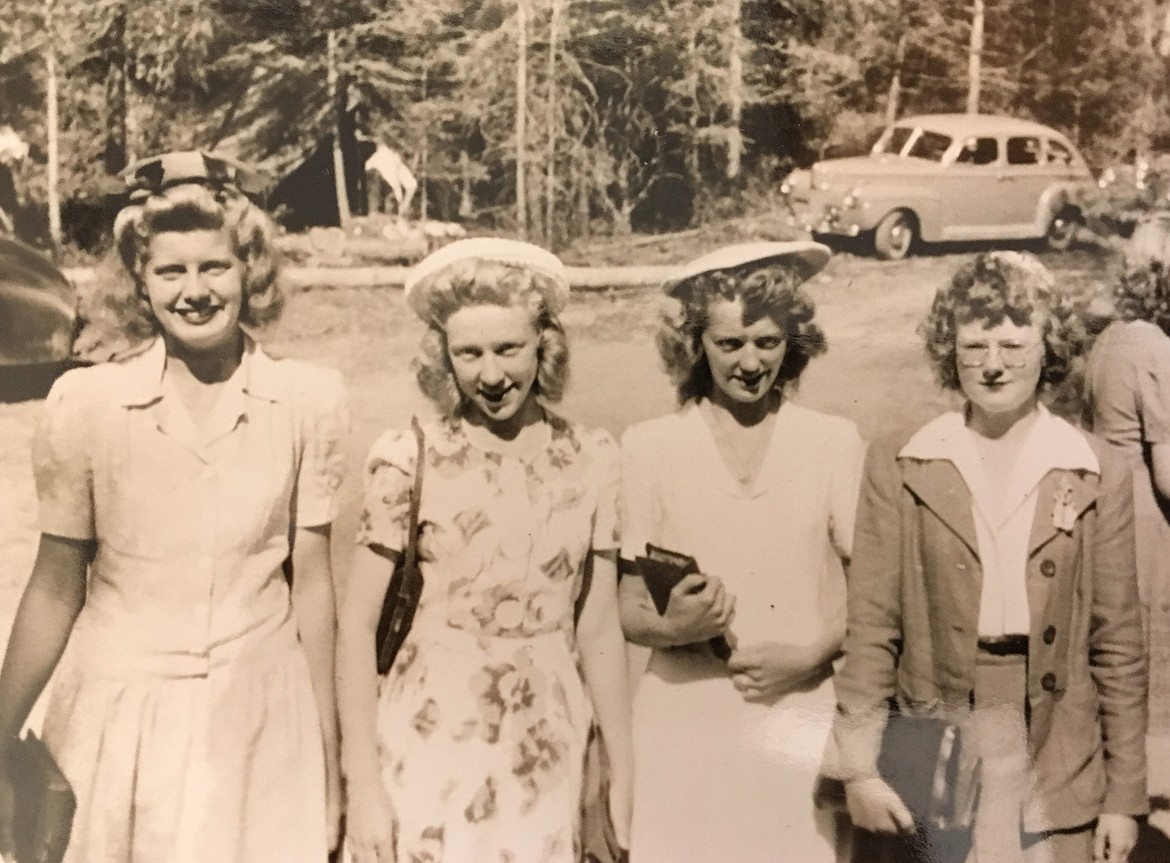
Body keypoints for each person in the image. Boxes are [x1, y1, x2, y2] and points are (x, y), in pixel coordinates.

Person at [0, 151, 347, 863]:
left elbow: (314, 587)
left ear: (249, 269)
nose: (195, 290)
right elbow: (54, 584)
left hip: (259, 724)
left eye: (214, 266)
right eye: (171, 271)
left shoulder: (308, 400)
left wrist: (331, 755)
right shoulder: (88, 404)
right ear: (140, 282)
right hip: (117, 720)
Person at [835, 251, 1147, 863]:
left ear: (1048, 345)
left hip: (1056, 740)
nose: (994, 366)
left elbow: (1118, 645)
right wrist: (857, 768)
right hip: (938, 728)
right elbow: (872, 626)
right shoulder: (903, 460)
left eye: (1014, 344)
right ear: (949, 351)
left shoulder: (1094, 466)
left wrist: (1124, 797)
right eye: (975, 346)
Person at [337, 238, 632, 863]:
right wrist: (362, 783)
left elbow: (599, 627)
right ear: (443, 358)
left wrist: (620, 766)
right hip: (428, 733)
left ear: (543, 346)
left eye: (509, 349)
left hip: (547, 737)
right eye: (467, 353)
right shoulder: (408, 456)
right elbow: (357, 626)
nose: (491, 376)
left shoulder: (592, 458)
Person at [618, 241, 865, 863]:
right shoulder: (650, 447)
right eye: (730, 344)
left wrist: (810, 655)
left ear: (794, 340)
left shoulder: (832, 442)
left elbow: (876, 598)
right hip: (683, 722)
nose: (752, 363)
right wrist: (674, 625)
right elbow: (626, 608)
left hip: (796, 719)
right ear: (695, 345)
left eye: (768, 342)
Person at [1083, 214, 1170, 811]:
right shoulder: (1156, 347)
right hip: (1143, 518)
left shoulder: (1110, 337)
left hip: (1103, 505)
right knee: (1146, 654)